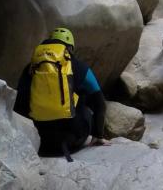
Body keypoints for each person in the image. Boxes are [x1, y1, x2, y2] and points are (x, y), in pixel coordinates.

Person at [14, 27, 110, 162]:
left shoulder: (31, 67)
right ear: (70, 48)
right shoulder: (80, 67)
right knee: (83, 100)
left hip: (38, 141)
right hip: (71, 142)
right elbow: (100, 103)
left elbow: (19, 103)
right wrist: (98, 135)